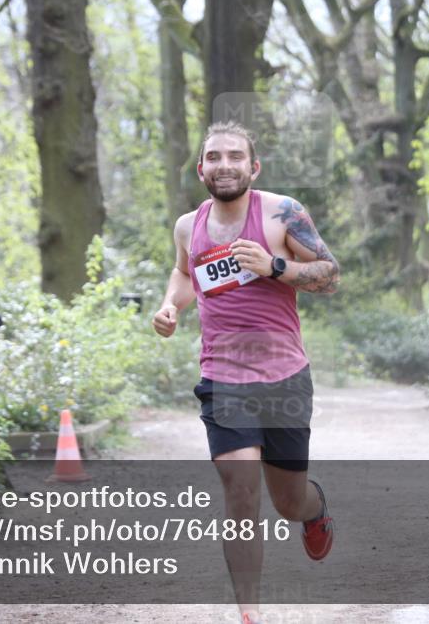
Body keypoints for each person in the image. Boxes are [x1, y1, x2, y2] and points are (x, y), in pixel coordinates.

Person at [152, 121, 340, 624]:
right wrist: (171, 306)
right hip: (223, 380)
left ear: (253, 167)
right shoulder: (188, 226)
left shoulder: (282, 213)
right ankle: (249, 615)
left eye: (235, 156)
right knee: (240, 492)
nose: (225, 165)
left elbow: (329, 276)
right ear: (201, 169)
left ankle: (314, 511)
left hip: (284, 379)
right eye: (214, 157)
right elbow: (185, 272)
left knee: (288, 501)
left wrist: (274, 267)